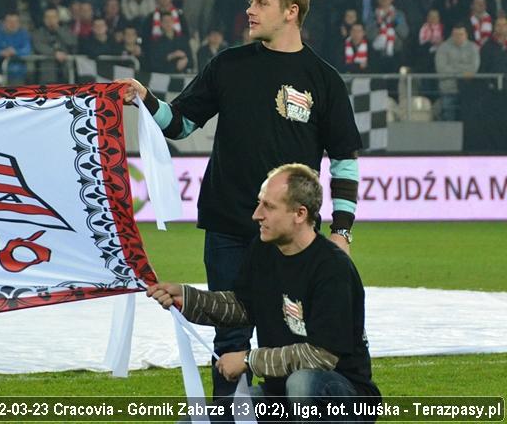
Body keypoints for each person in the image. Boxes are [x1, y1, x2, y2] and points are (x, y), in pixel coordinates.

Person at [119, 0, 362, 398]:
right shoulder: (228, 65)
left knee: (291, 337)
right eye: (250, 0)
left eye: (260, 2)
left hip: (290, 236)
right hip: (229, 225)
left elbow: (345, 160)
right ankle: (229, 412)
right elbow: (181, 125)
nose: (249, 9)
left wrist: (342, 232)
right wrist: (146, 99)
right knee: (229, 335)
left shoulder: (323, 79)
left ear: (291, 11)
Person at [148, 163, 381, 422]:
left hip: (346, 397)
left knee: (302, 384)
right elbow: (243, 307)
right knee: (193, 422)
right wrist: (187, 299)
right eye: (260, 204)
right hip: (278, 397)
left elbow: (321, 356)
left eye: (268, 206)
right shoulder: (263, 249)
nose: (256, 215)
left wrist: (249, 360)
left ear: (300, 214)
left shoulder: (333, 268)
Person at [435, 22, 480, 121]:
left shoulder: (473, 47)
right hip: (448, 89)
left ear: (466, 35)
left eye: (461, 34)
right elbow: (441, 69)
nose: (458, 37)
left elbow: (474, 68)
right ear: (452, 35)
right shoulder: (443, 48)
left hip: (468, 90)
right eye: (455, 35)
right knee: (448, 120)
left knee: (469, 121)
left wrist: (453, 68)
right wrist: (463, 71)